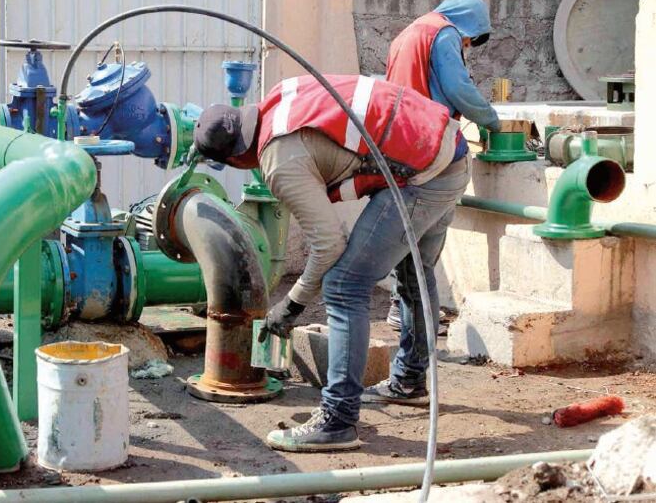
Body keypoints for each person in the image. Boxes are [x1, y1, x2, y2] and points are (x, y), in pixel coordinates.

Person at [193, 74, 471, 452]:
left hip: (424, 177)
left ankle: (338, 420)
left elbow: (328, 245)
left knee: (344, 286)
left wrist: (291, 305)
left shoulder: (277, 160)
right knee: (413, 272)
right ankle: (408, 381)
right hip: (447, 149)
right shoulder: (279, 99)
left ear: (237, 158)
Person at [382, 0, 500, 341]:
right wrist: (491, 120)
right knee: (426, 245)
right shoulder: (443, 33)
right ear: (466, 23)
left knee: (405, 238)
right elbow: (457, 87)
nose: (466, 44)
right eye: (470, 38)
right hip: (431, 145)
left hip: (399, 142)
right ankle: (418, 338)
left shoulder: (409, 33)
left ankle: (398, 309)